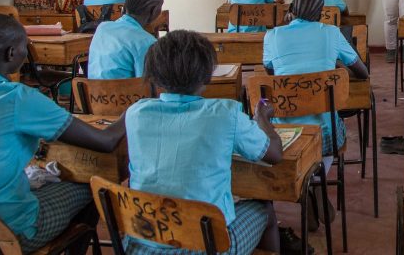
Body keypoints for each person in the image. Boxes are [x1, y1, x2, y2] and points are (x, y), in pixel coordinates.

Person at [0, 14, 125, 254]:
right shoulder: (16, 98)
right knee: (90, 183)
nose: (27, 51)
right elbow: (105, 141)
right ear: (11, 53)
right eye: (26, 46)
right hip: (8, 231)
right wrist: (133, 112)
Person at [123, 30, 288, 254]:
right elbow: (275, 154)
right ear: (208, 75)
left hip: (142, 244)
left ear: (154, 75)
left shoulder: (135, 114)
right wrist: (263, 119)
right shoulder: (224, 113)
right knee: (265, 209)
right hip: (207, 246)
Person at [262, 0, 369, 156]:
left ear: (292, 10)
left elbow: (271, 72)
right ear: (320, 14)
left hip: (283, 135)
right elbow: (363, 73)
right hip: (326, 136)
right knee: (334, 119)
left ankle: (310, 173)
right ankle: (320, 172)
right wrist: (337, 66)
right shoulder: (332, 32)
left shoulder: (272, 35)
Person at [88, 0, 163, 79]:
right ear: (154, 11)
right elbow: (149, 86)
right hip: (128, 94)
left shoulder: (102, 29)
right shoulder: (148, 43)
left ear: (125, 5)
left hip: (93, 93)